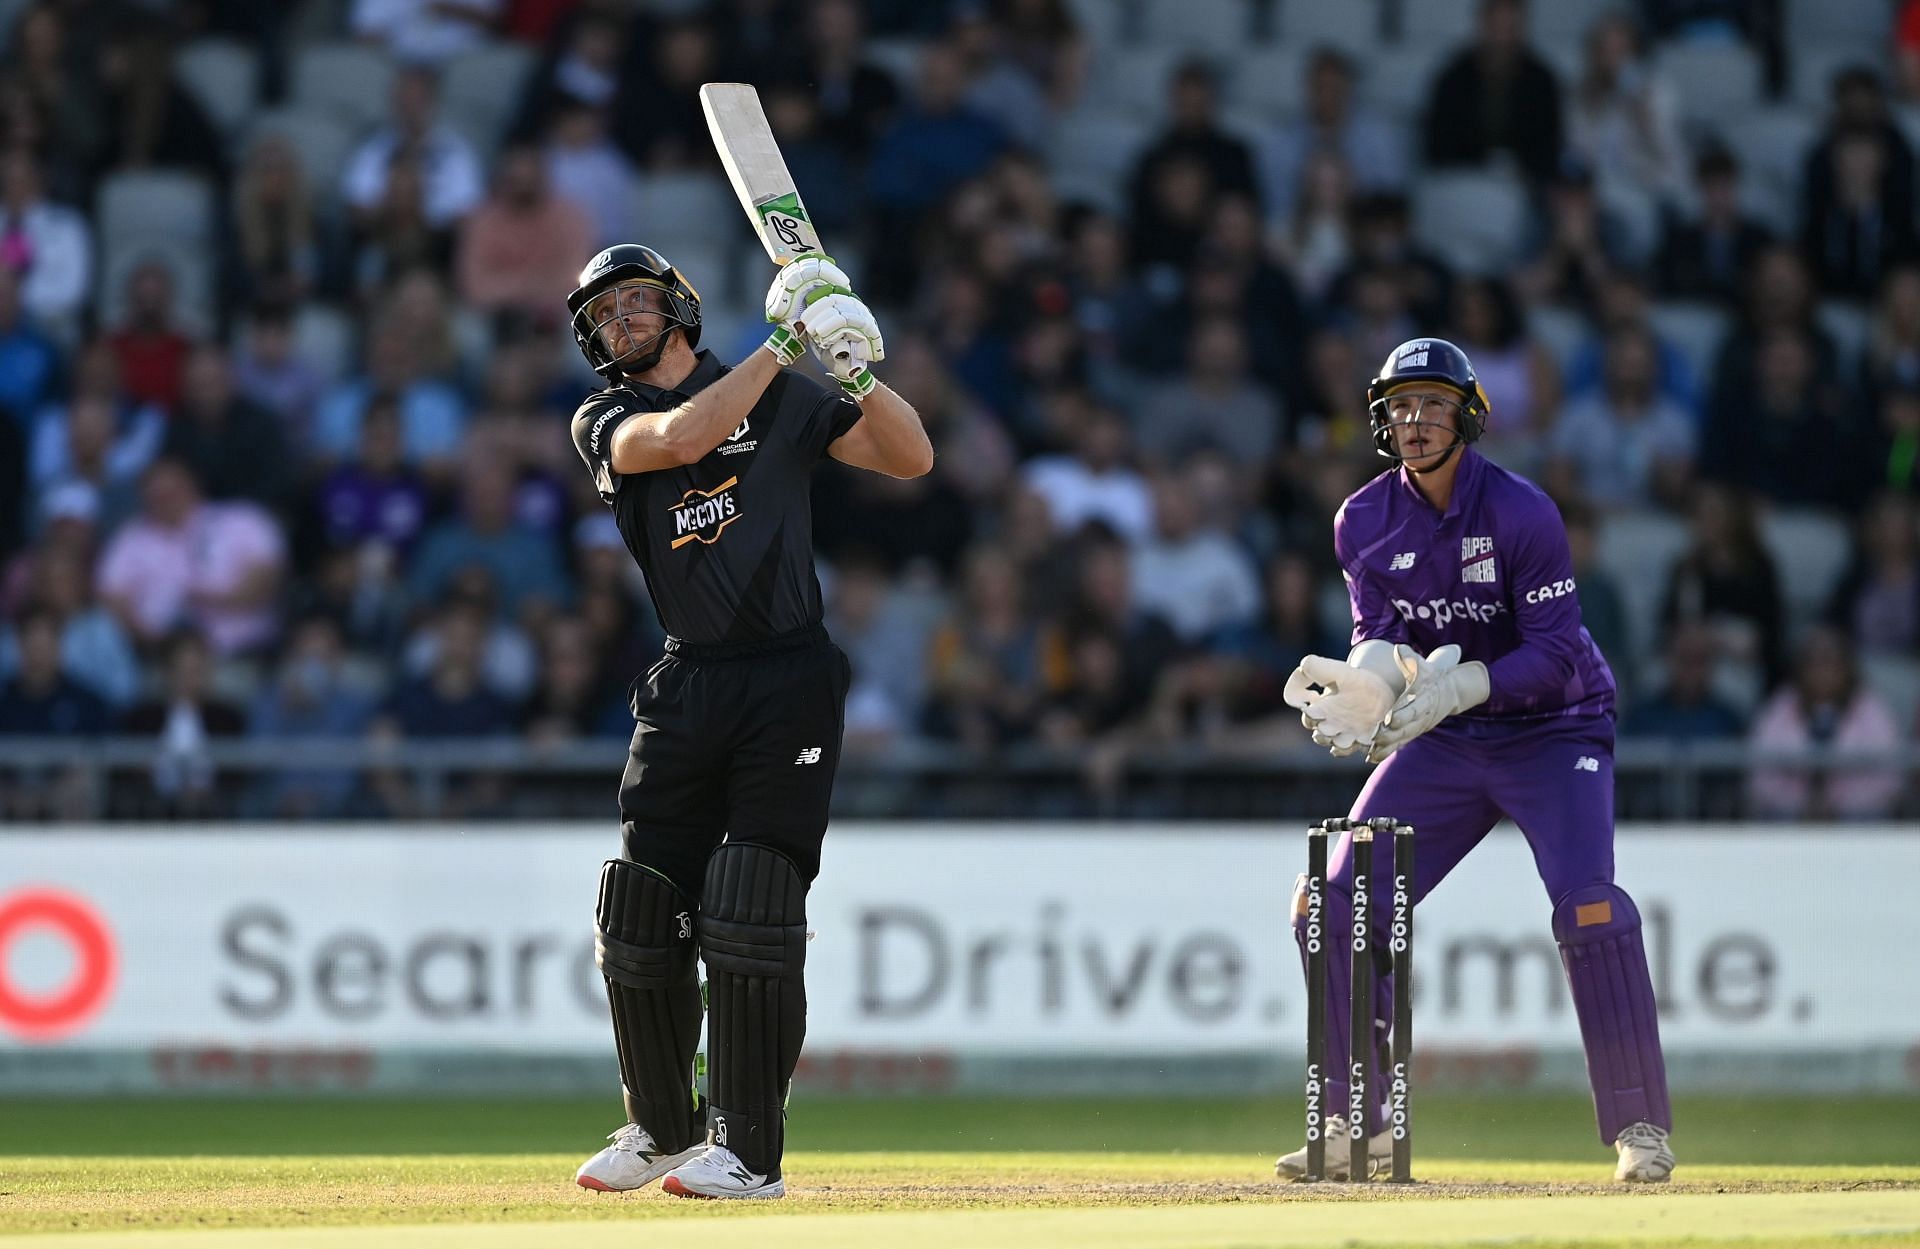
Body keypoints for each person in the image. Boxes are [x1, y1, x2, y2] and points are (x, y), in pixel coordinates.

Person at [564, 244, 931, 1200]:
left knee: (752, 902)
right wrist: (782, 340)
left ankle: (751, 1155)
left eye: (635, 303)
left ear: (678, 306)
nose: (621, 324)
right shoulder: (606, 418)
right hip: (688, 682)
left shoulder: (784, 398)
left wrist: (853, 368)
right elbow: (685, 440)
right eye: (603, 317)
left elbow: (911, 456)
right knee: (641, 906)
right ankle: (662, 1126)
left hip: (789, 678)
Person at [1275, 338, 1675, 1183]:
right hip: (1448, 738)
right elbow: (1377, 632)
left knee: (1591, 909)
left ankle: (1640, 1125)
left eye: (1432, 404)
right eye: (1400, 407)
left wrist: (1462, 689)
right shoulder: (1362, 520)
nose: (1414, 422)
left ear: (1470, 414)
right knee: (1331, 902)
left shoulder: (1523, 513)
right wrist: (1373, 685)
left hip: (1556, 727)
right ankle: (1360, 1124)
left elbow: (1557, 655)